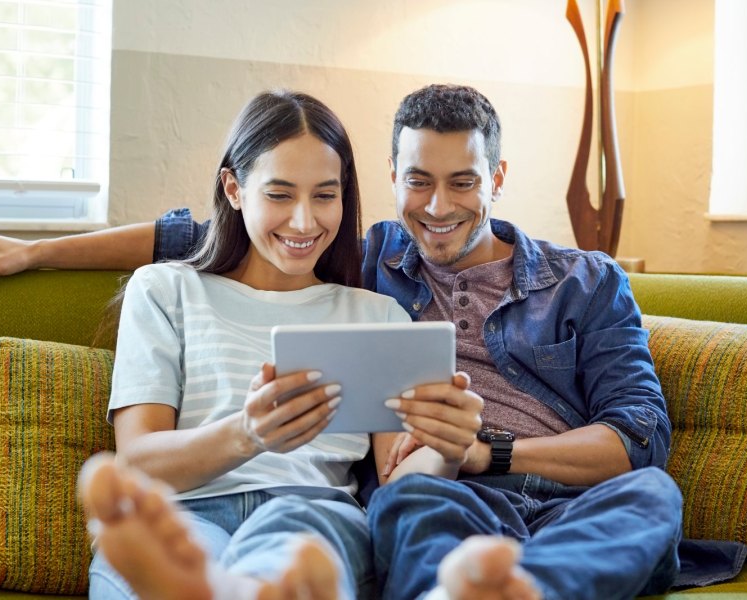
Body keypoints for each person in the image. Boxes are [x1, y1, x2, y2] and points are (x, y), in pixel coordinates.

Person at [0, 84, 684, 600]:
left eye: (463, 181)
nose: (438, 207)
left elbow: (635, 434)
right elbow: (197, 237)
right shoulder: (338, 270)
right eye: (418, 182)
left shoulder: (567, 283)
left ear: (496, 177)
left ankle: (499, 592)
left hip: (505, 501)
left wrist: (471, 445)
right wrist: (33, 252)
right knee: (411, 506)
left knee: (650, 493)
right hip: (399, 500)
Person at [74, 89, 483, 600]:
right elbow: (136, 462)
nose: (304, 222)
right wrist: (248, 433)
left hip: (312, 512)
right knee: (165, 550)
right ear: (234, 188)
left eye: (325, 195)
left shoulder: (376, 315)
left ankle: (233, 588)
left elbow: (397, 480)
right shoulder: (164, 291)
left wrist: (446, 448)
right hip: (183, 512)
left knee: (291, 546)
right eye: (280, 194)